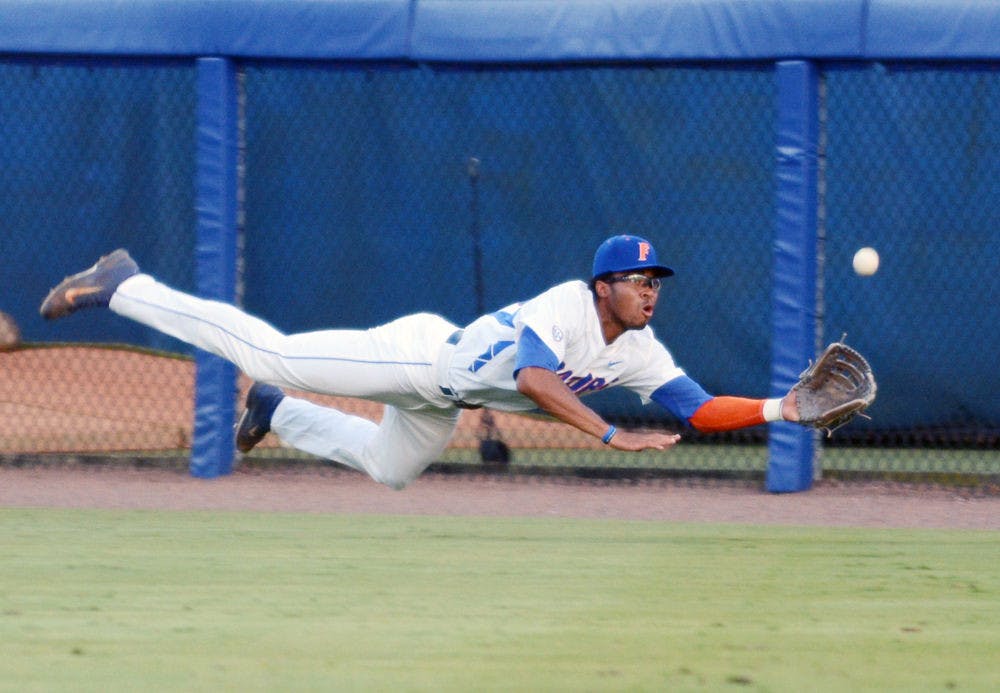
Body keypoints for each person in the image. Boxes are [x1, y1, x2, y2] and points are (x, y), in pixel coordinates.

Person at [40, 235, 799, 489]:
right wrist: (609, 435)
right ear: (605, 285)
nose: (649, 291)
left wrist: (781, 410)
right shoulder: (567, 304)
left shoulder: (639, 349)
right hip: (414, 358)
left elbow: (697, 409)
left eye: (655, 282)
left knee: (389, 469)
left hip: (447, 394)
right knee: (268, 348)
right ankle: (126, 283)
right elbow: (534, 378)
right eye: (638, 281)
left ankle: (279, 410)